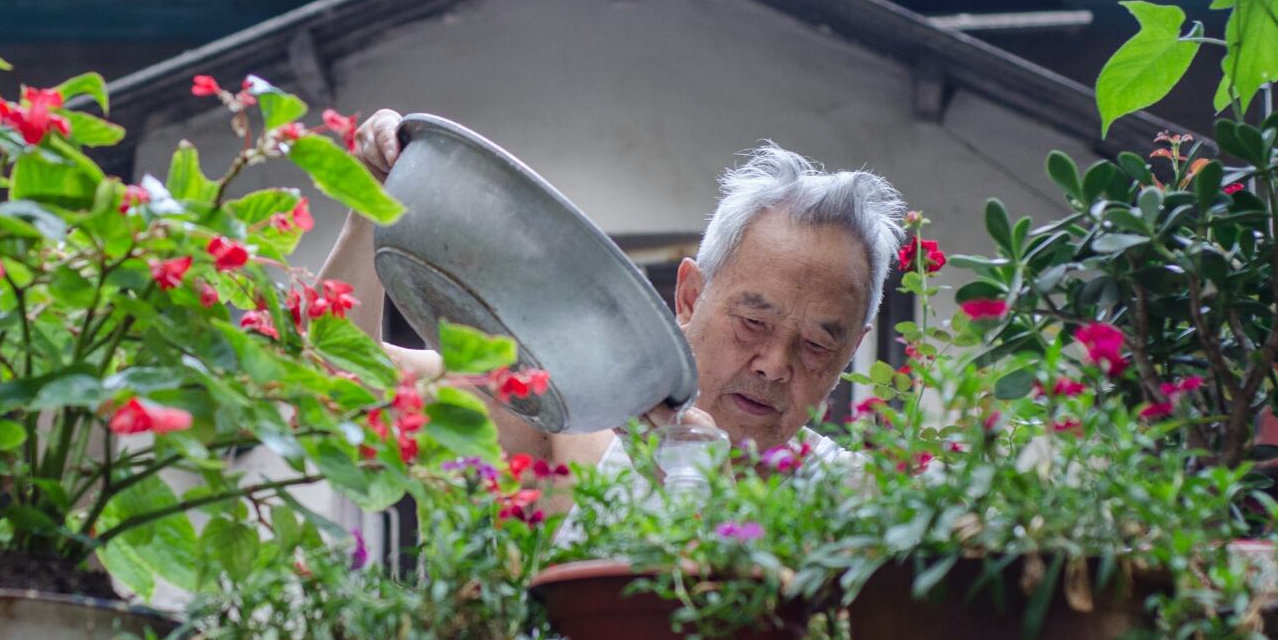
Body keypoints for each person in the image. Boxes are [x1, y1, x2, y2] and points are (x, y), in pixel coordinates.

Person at [318, 108, 907, 480]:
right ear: (688, 296)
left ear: (850, 350)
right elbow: (329, 389)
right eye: (752, 323)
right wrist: (369, 205)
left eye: (813, 346)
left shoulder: (851, 503)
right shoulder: (570, 420)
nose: (775, 366)